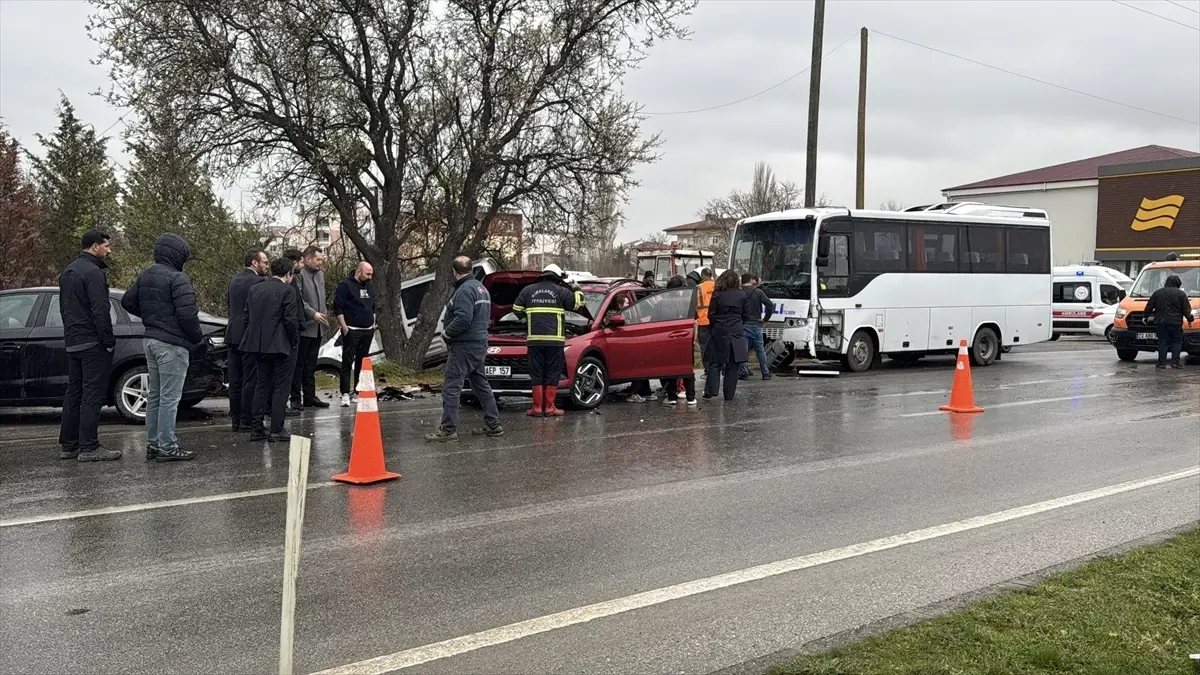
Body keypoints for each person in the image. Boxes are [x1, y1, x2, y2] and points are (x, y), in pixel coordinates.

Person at [121, 233, 204, 462]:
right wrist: (196, 338)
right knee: (170, 398)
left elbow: (128, 301)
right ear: (177, 255)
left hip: (150, 340)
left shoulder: (146, 274)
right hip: (172, 344)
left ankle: (154, 444)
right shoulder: (178, 278)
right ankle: (168, 446)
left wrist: (153, 317)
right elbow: (187, 315)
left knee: (155, 396)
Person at [57, 230, 121, 462]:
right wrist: (108, 341)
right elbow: (100, 310)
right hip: (92, 342)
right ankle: (89, 447)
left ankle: (69, 445)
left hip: (73, 341)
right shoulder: (94, 273)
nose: (109, 250)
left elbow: (64, 309)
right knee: (92, 395)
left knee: (74, 393)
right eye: (106, 246)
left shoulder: (68, 272)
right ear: (95, 247)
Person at [425, 256, 504, 442]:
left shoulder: (464, 290)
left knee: (451, 386)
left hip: (464, 346)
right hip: (479, 344)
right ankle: (494, 424)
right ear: (470, 269)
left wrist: (446, 334)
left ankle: (448, 430)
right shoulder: (481, 288)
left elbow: (463, 318)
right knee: (481, 384)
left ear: (454, 271)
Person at [513, 263, 585, 417]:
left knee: (536, 373)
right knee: (552, 373)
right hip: (555, 341)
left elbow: (516, 309)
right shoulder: (561, 291)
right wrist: (576, 287)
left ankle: (537, 408)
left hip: (535, 341)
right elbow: (578, 303)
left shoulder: (528, 290)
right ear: (557, 278)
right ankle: (550, 408)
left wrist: (529, 320)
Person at [243, 258, 301, 441]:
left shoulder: (255, 288)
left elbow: (247, 315)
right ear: (288, 273)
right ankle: (277, 428)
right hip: (281, 344)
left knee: (262, 384)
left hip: (258, 344)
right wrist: (294, 340)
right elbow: (291, 319)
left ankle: (257, 427)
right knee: (281, 386)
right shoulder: (288, 291)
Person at [225, 249, 268, 432]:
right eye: (264, 262)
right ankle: (246, 419)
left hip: (233, 333)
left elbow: (229, 304)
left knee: (235, 379)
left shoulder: (234, 280)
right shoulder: (258, 282)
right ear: (254, 263)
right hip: (249, 336)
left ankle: (235, 418)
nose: (267, 265)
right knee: (250, 379)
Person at [703, 270, 751, 400]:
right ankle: (729, 395)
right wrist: (738, 324)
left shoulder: (717, 294)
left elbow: (711, 314)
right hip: (736, 331)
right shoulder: (741, 295)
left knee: (715, 362)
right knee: (733, 365)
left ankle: (712, 390)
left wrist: (715, 326)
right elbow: (746, 315)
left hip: (719, 330)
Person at [334, 261, 377, 407]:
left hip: (367, 329)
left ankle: (357, 391)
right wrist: (344, 326)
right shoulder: (345, 285)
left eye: (371, 274)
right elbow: (338, 307)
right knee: (347, 361)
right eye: (367, 274)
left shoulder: (370, 286)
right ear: (359, 272)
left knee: (362, 362)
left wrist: (373, 323)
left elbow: (373, 306)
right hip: (351, 329)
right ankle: (345, 393)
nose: (370, 277)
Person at [1145, 274, 1195, 370]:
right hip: (1176, 323)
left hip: (1161, 322)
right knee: (1176, 342)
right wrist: (1190, 319)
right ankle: (1175, 363)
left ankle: (1161, 363)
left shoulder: (1157, 293)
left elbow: (1149, 306)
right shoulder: (1181, 294)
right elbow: (1186, 309)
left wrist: (1145, 316)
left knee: (1163, 342)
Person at [661, 275, 697, 406]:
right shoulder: (686, 301)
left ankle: (672, 397)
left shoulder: (662, 302)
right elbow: (695, 321)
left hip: (668, 338)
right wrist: (693, 339)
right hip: (685, 337)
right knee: (687, 367)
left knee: (670, 368)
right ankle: (691, 398)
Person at [280, 249, 307, 417]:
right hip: (290, 333)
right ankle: (282, 406)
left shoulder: (295, 280)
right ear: (294, 262)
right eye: (301, 262)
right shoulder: (288, 284)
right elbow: (292, 310)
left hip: (295, 328)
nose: (302, 265)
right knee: (286, 372)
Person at [739, 273, 775, 381]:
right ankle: (765, 372)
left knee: (743, 350)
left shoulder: (739, 293)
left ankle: (744, 372)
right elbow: (770, 305)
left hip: (743, 324)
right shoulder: (758, 292)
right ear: (750, 281)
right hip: (756, 324)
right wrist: (765, 319)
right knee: (760, 350)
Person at [695, 267, 715, 372]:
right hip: (715, 320)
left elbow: (693, 304)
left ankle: (707, 369)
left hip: (702, 320)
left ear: (703, 276)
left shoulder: (698, 288)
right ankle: (717, 368)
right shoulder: (717, 286)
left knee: (704, 347)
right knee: (717, 344)